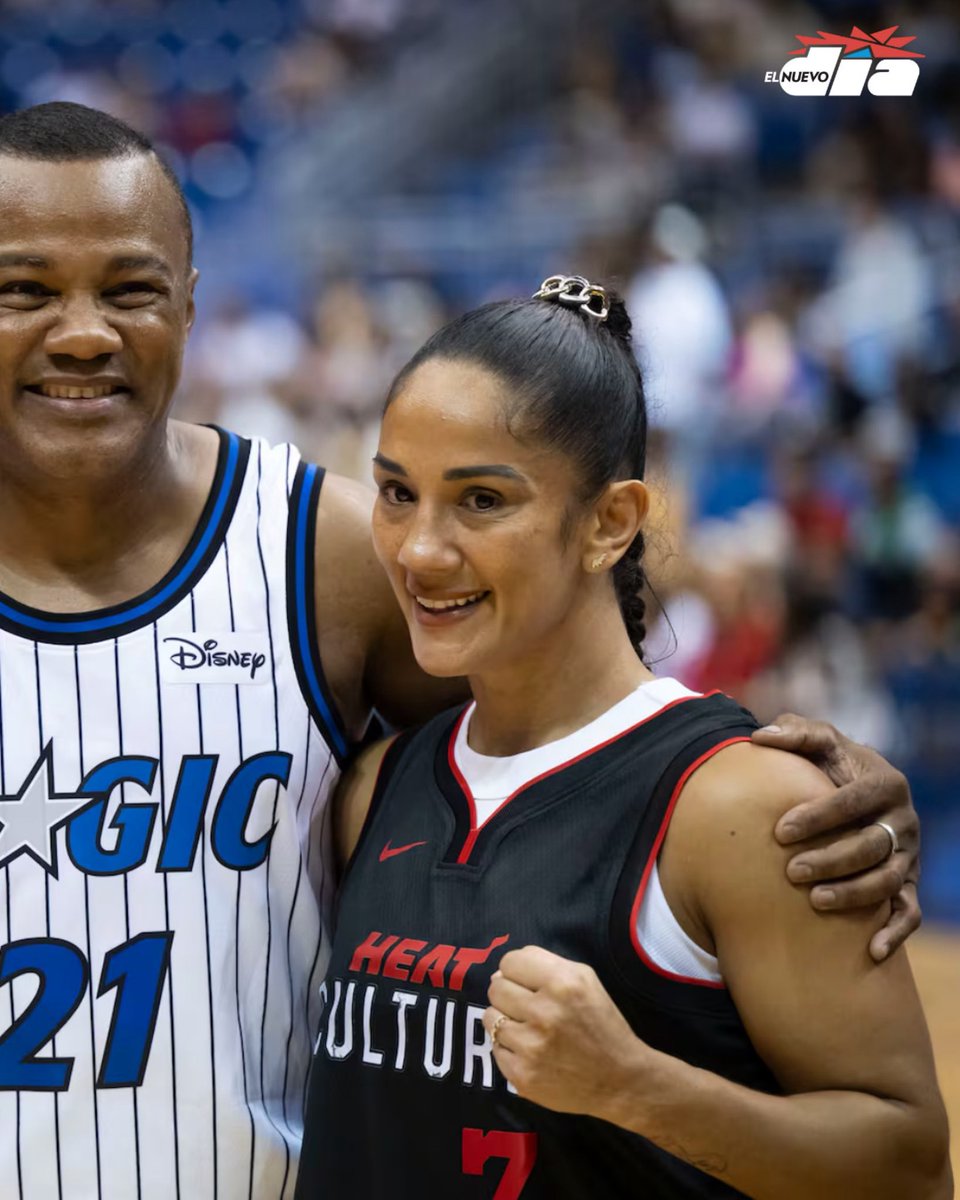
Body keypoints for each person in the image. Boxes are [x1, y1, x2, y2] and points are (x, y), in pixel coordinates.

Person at [0, 101, 923, 1200]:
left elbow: (577, 739)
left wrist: (813, 794)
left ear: (189, 306)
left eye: (131, 289)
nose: (85, 333)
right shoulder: (382, 743)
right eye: (24, 289)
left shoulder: (327, 557)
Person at [295, 277, 950, 1199]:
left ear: (610, 523)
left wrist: (635, 1087)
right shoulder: (373, 789)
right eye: (397, 492)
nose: (419, 549)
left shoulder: (740, 807)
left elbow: (910, 1171)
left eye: (481, 500)